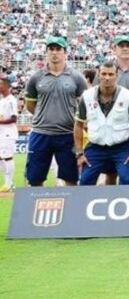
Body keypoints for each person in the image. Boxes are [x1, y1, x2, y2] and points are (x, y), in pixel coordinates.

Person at [24, 35, 87, 186]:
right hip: (41, 134)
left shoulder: (76, 77)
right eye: (51, 49)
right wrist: (45, 116)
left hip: (67, 134)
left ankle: (71, 209)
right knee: (34, 180)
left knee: (71, 179)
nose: (54, 52)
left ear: (65, 52)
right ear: (46, 52)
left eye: (58, 49)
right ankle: (36, 209)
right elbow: (30, 105)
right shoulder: (36, 77)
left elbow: (85, 104)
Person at [74, 61, 129, 185]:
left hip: (122, 147)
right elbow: (78, 125)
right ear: (98, 75)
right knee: (84, 181)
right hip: (96, 147)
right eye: (104, 74)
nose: (107, 78)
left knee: (127, 180)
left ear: (117, 76)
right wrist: (79, 154)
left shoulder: (128, 97)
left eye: (111, 74)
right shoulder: (87, 96)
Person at [0, 73, 18, 191]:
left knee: (7, 157)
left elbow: (14, 118)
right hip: (1, 132)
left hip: (8, 133)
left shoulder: (11, 100)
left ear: (6, 86)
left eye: (1, 84)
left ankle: (9, 183)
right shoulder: (2, 100)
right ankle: (6, 182)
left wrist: (0, 122)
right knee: (1, 158)